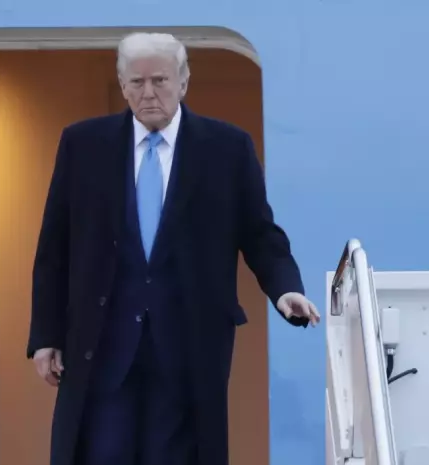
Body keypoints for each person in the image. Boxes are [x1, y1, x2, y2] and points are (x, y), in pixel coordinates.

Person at [27, 32, 320, 465]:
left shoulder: (227, 148)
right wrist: (46, 336)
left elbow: (260, 234)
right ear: (122, 84)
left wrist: (285, 289)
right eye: (137, 82)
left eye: (160, 80)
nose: (148, 93)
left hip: (189, 348)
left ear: (183, 81)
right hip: (101, 346)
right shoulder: (83, 145)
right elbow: (54, 247)